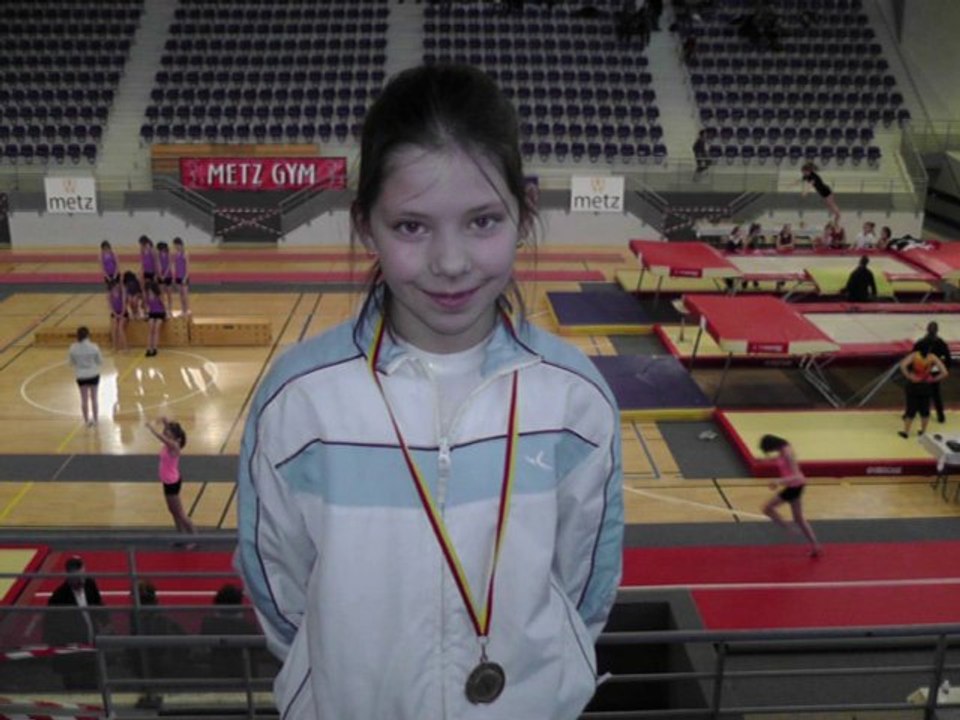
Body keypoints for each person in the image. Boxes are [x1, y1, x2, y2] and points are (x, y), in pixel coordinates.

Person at [236, 64, 624, 720]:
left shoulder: (574, 402)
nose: (450, 262)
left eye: (482, 221)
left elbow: (586, 589)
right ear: (366, 225)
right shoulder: (299, 405)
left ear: (524, 214)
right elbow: (281, 598)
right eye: (412, 227)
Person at [43, 555, 104, 689]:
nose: (82, 579)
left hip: (91, 647)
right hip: (72, 654)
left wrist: (106, 625)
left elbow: (99, 607)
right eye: (78, 576)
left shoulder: (90, 585)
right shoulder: (58, 597)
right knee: (74, 686)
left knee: (93, 684)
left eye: (83, 574)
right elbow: (51, 627)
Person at [758, 435, 821, 558]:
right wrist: (766, 460)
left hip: (795, 487)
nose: (771, 452)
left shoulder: (787, 453)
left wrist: (778, 481)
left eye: (769, 450)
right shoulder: (782, 450)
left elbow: (797, 476)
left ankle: (788, 527)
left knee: (767, 508)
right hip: (794, 486)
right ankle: (815, 546)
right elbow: (781, 460)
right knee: (799, 518)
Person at [146, 417, 196, 537]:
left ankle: (194, 537)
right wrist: (165, 422)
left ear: (173, 435)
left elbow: (160, 437)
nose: (165, 432)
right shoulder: (170, 442)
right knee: (173, 511)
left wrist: (151, 428)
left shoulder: (173, 445)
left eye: (168, 431)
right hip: (168, 481)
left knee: (180, 513)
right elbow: (167, 434)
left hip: (172, 483)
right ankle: (181, 536)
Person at [201, 583, 263, 678]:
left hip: (218, 677)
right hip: (245, 677)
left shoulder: (208, 625)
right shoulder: (248, 627)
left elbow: (200, 652)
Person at [898, 340, 948, 438]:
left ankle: (906, 432)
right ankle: (923, 431)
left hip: (914, 385)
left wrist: (909, 376)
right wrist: (933, 379)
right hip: (926, 385)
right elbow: (945, 373)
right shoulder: (932, 357)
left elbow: (902, 365)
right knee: (925, 410)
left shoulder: (914, 356)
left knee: (910, 410)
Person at [913, 322, 952, 423]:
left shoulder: (921, 342)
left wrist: (914, 369)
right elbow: (948, 359)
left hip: (922, 369)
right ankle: (941, 416)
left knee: (918, 392)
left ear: (927, 330)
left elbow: (913, 355)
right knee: (935, 394)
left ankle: (912, 413)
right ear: (937, 331)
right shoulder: (941, 343)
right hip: (934, 370)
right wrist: (943, 369)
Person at [68, 326, 102, 427]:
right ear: (88, 335)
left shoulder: (73, 348)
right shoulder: (94, 347)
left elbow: (71, 363)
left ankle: (86, 420)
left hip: (81, 376)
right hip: (93, 375)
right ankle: (96, 419)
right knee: (94, 398)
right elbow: (100, 361)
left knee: (84, 399)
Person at [144, 280, 166, 357]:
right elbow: (147, 306)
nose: (149, 290)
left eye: (150, 289)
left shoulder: (158, 295)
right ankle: (149, 348)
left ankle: (155, 348)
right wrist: (146, 314)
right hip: (152, 313)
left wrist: (165, 314)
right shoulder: (147, 296)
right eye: (148, 289)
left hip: (160, 313)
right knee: (151, 329)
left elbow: (163, 304)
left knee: (156, 329)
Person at [107, 278, 128, 352]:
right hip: (115, 313)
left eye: (118, 285)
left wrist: (122, 314)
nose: (117, 286)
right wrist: (115, 314)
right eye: (116, 286)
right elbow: (110, 306)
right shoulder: (109, 294)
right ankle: (114, 347)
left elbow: (124, 304)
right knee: (114, 328)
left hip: (123, 312)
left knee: (120, 328)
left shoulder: (122, 292)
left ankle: (125, 347)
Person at [172, 237, 191, 316]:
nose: (176, 247)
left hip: (184, 277)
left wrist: (185, 277)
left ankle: (187, 310)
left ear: (180, 244)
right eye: (175, 245)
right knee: (180, 295)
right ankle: (183, 310)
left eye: (177, 245)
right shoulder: (176, 254)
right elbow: (175, 265)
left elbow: (187, 266)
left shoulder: (185, 253)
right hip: (178, 276)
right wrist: (174, 276)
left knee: (185, 295)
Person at [156, 241, 174, 313]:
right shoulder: (158, 255)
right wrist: (160, 275)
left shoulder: (168, 254)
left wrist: (165, 275)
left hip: (168, 275)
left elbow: (169, 265)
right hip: (161, 276)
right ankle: (163, 308)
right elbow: (158, 264)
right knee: (162, 293)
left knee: (169, 293)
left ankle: (170, 308)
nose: (161, 250)